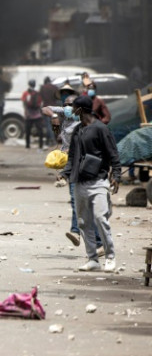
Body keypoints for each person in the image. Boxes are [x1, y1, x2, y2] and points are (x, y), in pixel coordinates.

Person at [60, 96, 121, 272]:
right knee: (83, 222)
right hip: (80, 182)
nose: (72, 110)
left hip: (99, 182)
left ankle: (110, 257)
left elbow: (113, 154)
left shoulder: (101, 129)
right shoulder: (78, 130)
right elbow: (72, 157)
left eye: (74, 108)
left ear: (82, 110)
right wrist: (64, 175)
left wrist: (116, 174)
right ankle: (92, 259)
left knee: (101, 219)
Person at [21, 79, 43, 149]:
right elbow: (40, 103)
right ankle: (41, 145)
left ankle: (27, 145)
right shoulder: (37, 93)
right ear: (35, 85)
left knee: (28, 130)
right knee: (40, 130)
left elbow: (24, 103)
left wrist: (26, 111)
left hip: (28, 114)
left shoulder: (25, 93)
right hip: (37, 114)